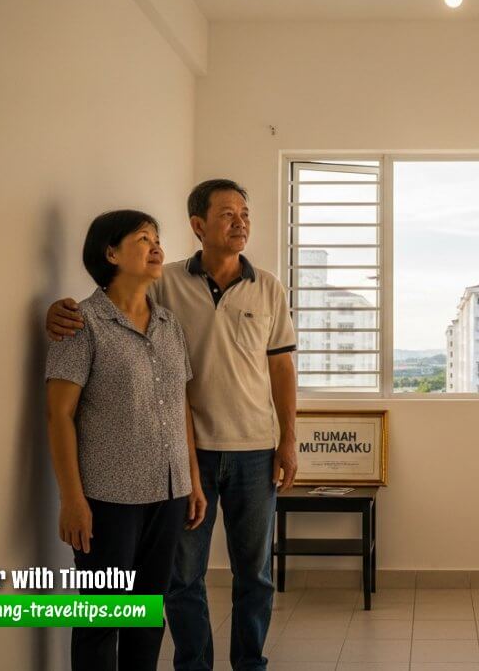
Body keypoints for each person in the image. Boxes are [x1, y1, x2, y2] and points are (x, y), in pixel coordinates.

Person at [47, 180, 298, 671]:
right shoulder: (163, 283)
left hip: (246, 452)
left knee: (253, 575)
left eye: (245, 213)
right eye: (227, 213)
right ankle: (194, 666)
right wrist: (58, 312)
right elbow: (107, 300)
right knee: (179, 583)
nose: (240, 221)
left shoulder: (263, 287)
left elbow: (281, 368)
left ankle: (250, 664)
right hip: (180, 461)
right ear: (199, 225)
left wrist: (288, 439)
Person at [45, 210, 208, 671]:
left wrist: (192, 481)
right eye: (142, 239)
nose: (156, 247)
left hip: (169, 494)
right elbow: (59, 414)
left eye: (157, 239)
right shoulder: (81, 322)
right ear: (110, 252)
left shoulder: (169, 325)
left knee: (147, 616)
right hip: (108, 499)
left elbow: (181, 408)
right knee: (101, 620)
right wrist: (72, 499)